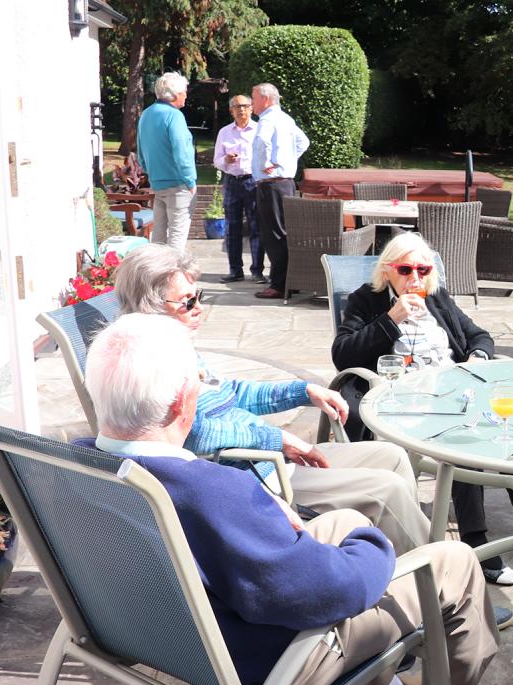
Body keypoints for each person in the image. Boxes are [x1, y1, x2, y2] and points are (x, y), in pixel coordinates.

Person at [82, 312, 513, 685]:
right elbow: (336, 592)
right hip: (279, 663)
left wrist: (299, 525)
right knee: (453, 562)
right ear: (183, 402)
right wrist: (373, 546)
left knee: (347, 520)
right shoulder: (211, 492)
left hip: (179, 643)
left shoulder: (72, 468)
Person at [113, 244, 429, 555]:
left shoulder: (177, 346)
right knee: (388, 490)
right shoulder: (150, 362)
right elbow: (192, 432)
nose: (199, 308)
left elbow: (230, 394)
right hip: (259, 479)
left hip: (271, 461)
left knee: (392, 456)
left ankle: (414, 559)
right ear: (150, 306)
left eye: (200, 296)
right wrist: (276, 438)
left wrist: (303, 392)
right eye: (187, 301)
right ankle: (438, 577)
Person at [331, 232, 513, 586]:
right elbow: (342, 354)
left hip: (453, 389)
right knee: (463, 444)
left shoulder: (436, 296)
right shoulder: (367, 300)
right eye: (406, 269)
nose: (415, 278)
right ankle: (476, 540)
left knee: (507, 429)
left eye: (422, 269)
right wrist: (391, 317)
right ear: (388, 270)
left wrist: (477, 356)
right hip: (401, 398)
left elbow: (479, 335)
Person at [250, 83, 310, 300]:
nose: (252, 103)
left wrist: (267, 162)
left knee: (274, 234)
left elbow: (262, 141)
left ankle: (278, 285)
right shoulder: (286, 118)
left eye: (254, 98)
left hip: (271, 184)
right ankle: (288, 281)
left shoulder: (267, 119)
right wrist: (287, 161)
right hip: (286, 182)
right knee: (285, 232)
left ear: (266, 99)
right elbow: (304, 142)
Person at [136, 72, 196, 252]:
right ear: (176, 94)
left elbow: (140, 148)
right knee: (177, 238)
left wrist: (149, 171)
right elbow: (181, 150)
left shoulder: (147, 113)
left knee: (159, 238)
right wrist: (190, 180)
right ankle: (172, 277)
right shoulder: (174, 115)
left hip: (157, 183)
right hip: (178, 184)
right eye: (185, 91)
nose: (186, 94)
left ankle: (156, 278)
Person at [212, 94, 265, 283]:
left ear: (251, 108)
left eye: (245, 106)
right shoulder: (225, 132)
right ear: (231, 110)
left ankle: (257, 271)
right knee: (232, 227)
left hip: (253, 182)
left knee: (256, 226)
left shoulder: (260, 130)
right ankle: (235, 270)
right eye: (237, 106)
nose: (241, 109)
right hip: (232, 181)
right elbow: (216, 161)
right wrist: (226, 160)